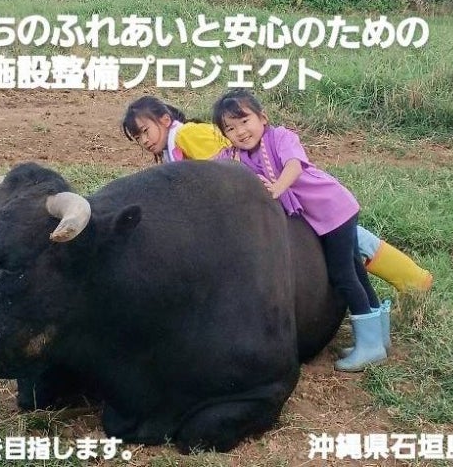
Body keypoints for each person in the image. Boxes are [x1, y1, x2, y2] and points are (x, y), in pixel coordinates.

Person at [121, 95, 433, 296]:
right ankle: (409, 280)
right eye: (137, 138)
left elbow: (220, 169)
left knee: (344, 234)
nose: (143, 141)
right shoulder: (171, 148)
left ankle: (413, 280)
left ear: (165, 120)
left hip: (278, 186)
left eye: (145, 131)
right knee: (338, 236)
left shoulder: (187, 134)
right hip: (268, 188)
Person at [210, 88, 388, 371]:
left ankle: (370, 345)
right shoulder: (234, 157)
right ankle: (379, 335)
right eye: (230, 128)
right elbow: (209, 169)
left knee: (343, 274)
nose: (240, 132)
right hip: (315, 219)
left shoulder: (281, 137)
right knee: (355, 269)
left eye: (244, 121)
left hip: (333, 210)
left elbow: (293, 165)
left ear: (263, 118)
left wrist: (277, 188)